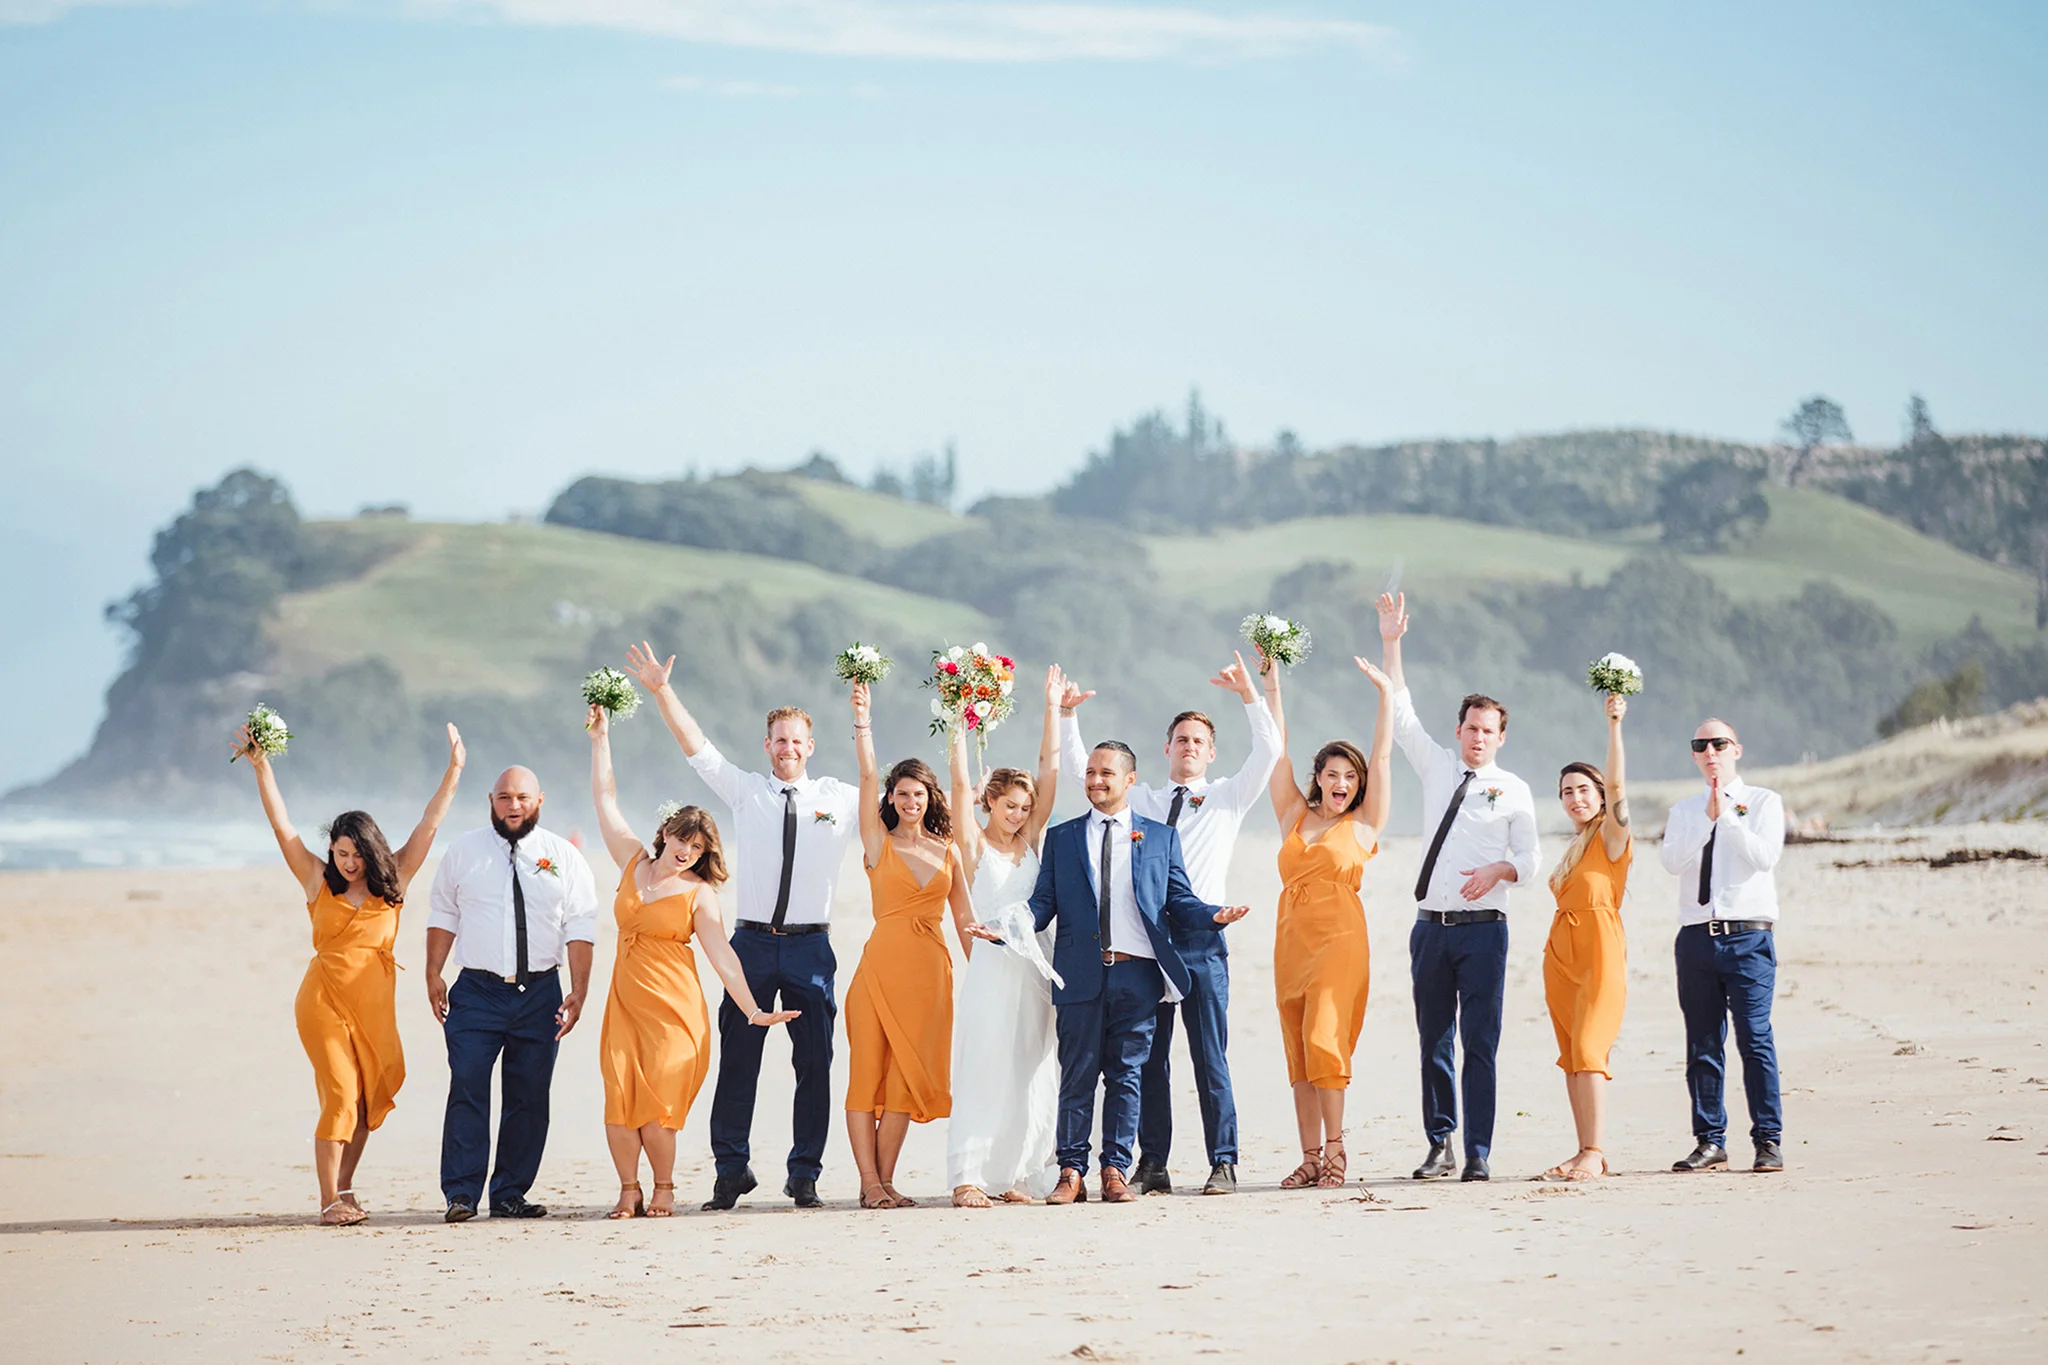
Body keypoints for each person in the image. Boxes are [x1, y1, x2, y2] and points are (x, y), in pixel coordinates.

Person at [626, 642, 861, 1211]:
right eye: (779, 740)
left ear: (810, 747)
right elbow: (696, 747)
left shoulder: (840, 798)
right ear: (767, 745)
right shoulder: (747, 790)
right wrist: (662, 691)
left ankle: (804, 1174)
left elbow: (900, 799)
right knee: (738, 1063)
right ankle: (731, 1171)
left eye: (796, 741)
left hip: (811, 945)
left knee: (815, 1065)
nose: (787, 748)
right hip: (750, 943)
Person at [1057, 652, 1280, 1196]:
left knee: (1210, 1058)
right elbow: (1085, 769)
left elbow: (1270, 751)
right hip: (1150, 948)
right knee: (1148, 1063)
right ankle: (1153, 1163)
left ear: (1211, 752)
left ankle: (1223, 1161)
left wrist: (1251, 695)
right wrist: (1067, 717)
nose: (1189, 747)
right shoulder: (1144, 801)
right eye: (1181, 739)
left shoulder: (1228, 797)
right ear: (1166, 748)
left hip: (1202, 941)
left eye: (1199, 741)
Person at [233, 719, 466, 1225]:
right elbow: (282, 826)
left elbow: (429, 824)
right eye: (341, 853)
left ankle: (344, 1187)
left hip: (373, 1005)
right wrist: (262, 766)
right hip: (323, 1000)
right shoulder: (317, 880)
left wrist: (454, 769)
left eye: (357, 854)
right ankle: (328, 1202)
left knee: (364, 1102)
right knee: (340, 1093)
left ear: (372, 850)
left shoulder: (395, 879)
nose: (349, 863)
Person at [587, 704, 800, 1218]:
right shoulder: (632, 863)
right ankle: (629, 1189)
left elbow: (723, 955)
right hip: (624, 1005)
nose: (687, 851)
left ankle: (663, 1187)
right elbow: (605, 799)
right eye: (683, 839)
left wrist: (752, 1010)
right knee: (619, 1101)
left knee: (657, 1108)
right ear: (666, 833)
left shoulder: (699, 893)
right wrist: (600, 738)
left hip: (674, 1012)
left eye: (698, 847)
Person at [1028, 739, 1250, 1205]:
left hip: (1138, 976)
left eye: (1106, 773)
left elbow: (1179, 900)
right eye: (1091, 773)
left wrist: (1213, 915)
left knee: (1127, 1077)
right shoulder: (1063, 837)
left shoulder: (1159, 838)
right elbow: (1043, 904)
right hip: (1079, 973)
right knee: (1077, 1076)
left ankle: (1115, 1169)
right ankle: (1071, 1172)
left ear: (1129, 780)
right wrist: (1006, 927)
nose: (1095, 780)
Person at [1378, 591, 1540, 1183]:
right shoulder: (1438, 766)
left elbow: (1531, 859)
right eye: (1471, 728)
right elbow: (1401, 715)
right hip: (1430, 929)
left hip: (1485, 932)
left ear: (1501, 737)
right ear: (1459, 729)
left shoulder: (1513, 788)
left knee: (1480, 1042)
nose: (1478, 737)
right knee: (1433, 1041)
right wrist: (1392, 643)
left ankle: (1478, 1150)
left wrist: (1500, 871)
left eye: (1488, 730)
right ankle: (1439, 1142)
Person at [425, 764, 598, 1222]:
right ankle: (461, 1194)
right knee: (467, 1086)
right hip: (476, 991)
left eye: (522, 797)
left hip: (540, 993)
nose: (513, 805)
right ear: (491, 801)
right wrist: (433, 972)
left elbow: (580, 924)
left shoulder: (564, 856)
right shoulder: (464, 851)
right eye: (504, 797)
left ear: (540, 800)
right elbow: (443, 911)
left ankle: (509, 1193)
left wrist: (579, 989)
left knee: (529, 1095)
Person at [1261, 653, 1395, 1191]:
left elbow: (1382, 757)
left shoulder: (1364, 823)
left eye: (1350, 777)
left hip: (1340, 941)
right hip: (1291, 940)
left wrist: (1386, 696)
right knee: (1298, 1049)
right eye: (1332, 774)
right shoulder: (1294, 815)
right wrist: (1272, 686)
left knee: (1324, 1039)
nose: (1342, 782)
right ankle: (1310, 1157)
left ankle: (1337, 1149)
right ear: (1318, 778)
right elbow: (1276, 751)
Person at [844, 684, 979, 1208]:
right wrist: (863, 721)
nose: (910, 801)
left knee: (904, 1081)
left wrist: (984, 973)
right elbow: (866, 776)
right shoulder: (877, 842)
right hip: (879, 971)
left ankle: (885, 1181)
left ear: (929, 798)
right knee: (866, 1076)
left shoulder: (948, 850)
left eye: (918, 794)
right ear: (891, 799)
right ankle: (868, 1182)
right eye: (902, 794)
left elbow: (964, 917)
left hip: (929, 976)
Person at [945, 665, 1068, 1208]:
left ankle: (1017, 1173)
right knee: (985, 1065)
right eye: (1008, 805)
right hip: (992, 968)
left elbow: (1049, 770)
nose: (1017, 815)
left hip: (1034, 966)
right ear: (989, 802)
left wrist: (1052, 709)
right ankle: (967, 1176)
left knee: (1031, 1068)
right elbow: (957, 786)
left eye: (1024, 807)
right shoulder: (973, 845)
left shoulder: (1032, 840)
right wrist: (957, 717)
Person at [1660, 718, 1787, 1174]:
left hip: (1749, 935)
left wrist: (1728, 817)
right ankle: (1710, 1139)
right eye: (1701, 745)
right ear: (1694, 754)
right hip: (1696, 936)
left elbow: (1765, 857)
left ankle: (1767, 1139)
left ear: (1736, 749)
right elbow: (1672, 862)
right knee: (1702, 1043)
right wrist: (1706, 820)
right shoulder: (1685, 810)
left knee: (1755, 1038)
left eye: (1719, 743)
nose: (1710, 752)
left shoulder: (1764, 802)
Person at [1537, 693, 1633, 1182]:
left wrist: (1614, 724)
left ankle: (1595, 1151)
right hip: (1562, 957)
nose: (1576, 798)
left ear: (1598, 795)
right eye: (1567, 792)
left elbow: (1617, 785)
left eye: (1583, 790)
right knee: (1573, 1057)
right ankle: (1581, 1150)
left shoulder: (1611, 837)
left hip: (1599, 952)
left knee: (1592, 1049)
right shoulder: (1574, 845)